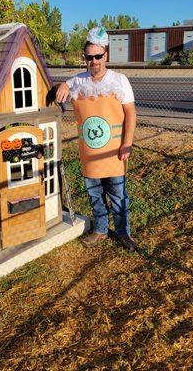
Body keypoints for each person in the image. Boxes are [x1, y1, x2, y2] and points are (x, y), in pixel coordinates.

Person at [56, 27, 137, 251]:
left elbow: (130, 113)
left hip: (114, 153)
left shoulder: (120, 80)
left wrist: (127, 143)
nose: (94, 61)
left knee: (118, 196)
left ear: (106, 56)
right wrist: (61, 85)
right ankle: (101, 230)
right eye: (90, 57)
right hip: (90, 155)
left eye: (98, 56)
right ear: (85, 59)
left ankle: (123, 232)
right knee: (95, 196)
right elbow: (59, 89)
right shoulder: (77, 82)